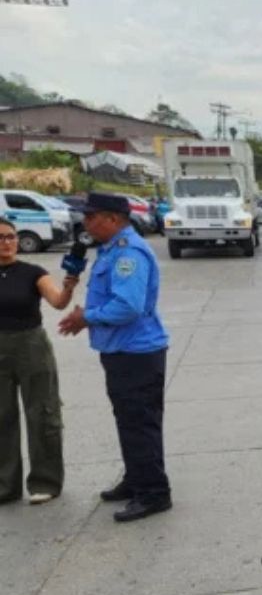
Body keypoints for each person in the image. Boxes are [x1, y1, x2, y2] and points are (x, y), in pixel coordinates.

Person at [57, 192, 172, 523]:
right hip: (121, 350)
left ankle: (153, 492)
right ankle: (137, 478)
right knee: (129, 419)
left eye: (91, 217)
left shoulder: (128, 254)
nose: (86, 223)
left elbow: (128, 305)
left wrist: (87, 317)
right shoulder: (110, 249)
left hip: (137, 353)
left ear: (112, 219)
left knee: (140, 423)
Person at [0, 217, 80, 505]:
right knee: (2, 416)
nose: (7, 243)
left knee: (42, 412)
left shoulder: (32, 272)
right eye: (1, 238)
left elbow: (58, 302)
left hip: (30, 345)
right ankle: (5, 486)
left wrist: (69, 287)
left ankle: (45, 482)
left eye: (11, 237)